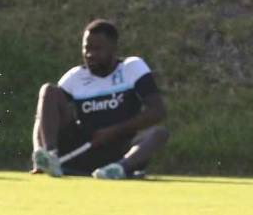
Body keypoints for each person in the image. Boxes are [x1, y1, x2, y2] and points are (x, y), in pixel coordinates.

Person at [32, 20, 168, 179]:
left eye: (97, 49)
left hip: (121, 148)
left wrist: (113, 131)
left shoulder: (132, 67)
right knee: (48, 90)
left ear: (113, 48)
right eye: (86, 49)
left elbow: (157, 111)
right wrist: (39, 152)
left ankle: (118, 169)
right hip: (83, 148)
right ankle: (51, 157)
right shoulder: (75, 77)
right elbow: (42, 118)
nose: (90, 54)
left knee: (159, 133)